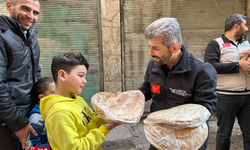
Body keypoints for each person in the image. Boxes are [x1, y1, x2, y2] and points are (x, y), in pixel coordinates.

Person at [138, 18, 217, 150]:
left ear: (174, 47)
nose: (150, 53)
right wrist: (130, 98)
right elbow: (148, 88)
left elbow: (206, 107)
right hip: (159, 136)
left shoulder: (202, 70)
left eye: (155, 48)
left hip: (187, 140)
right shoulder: (154, 64)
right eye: (150, 47)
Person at [40, 52, 120, 150]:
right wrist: (105, 129)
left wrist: (112, 109)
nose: (85, 81)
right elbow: (75, 148)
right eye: (80, 75)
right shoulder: (59, 112)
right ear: (62, 75)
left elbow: (92, 123)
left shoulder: (77, 99)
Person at [204, 13, 250, 150]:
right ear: (236, 26)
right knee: (224, 135)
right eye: (245, 25)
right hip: (226, 97)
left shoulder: (246, 44)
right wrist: (238, 66)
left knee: (249, 135)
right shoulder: (215, 44)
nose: (246, 29)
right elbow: (209, 67)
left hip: (248, 98)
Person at [0, 0, 41, 149]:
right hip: (7, 124)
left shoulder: (31, 36)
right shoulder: (1, 36)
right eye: (25, 9)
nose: (31, 16)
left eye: (35, 12)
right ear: (9, 6)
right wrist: (18, 123)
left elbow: (36, 74)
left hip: (29, 117)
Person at [25, 77, 55, 150]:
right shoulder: (36, 118)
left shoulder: (57, 111)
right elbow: (30, 147)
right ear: (41, 97)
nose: (61, 96)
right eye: (54, 93)